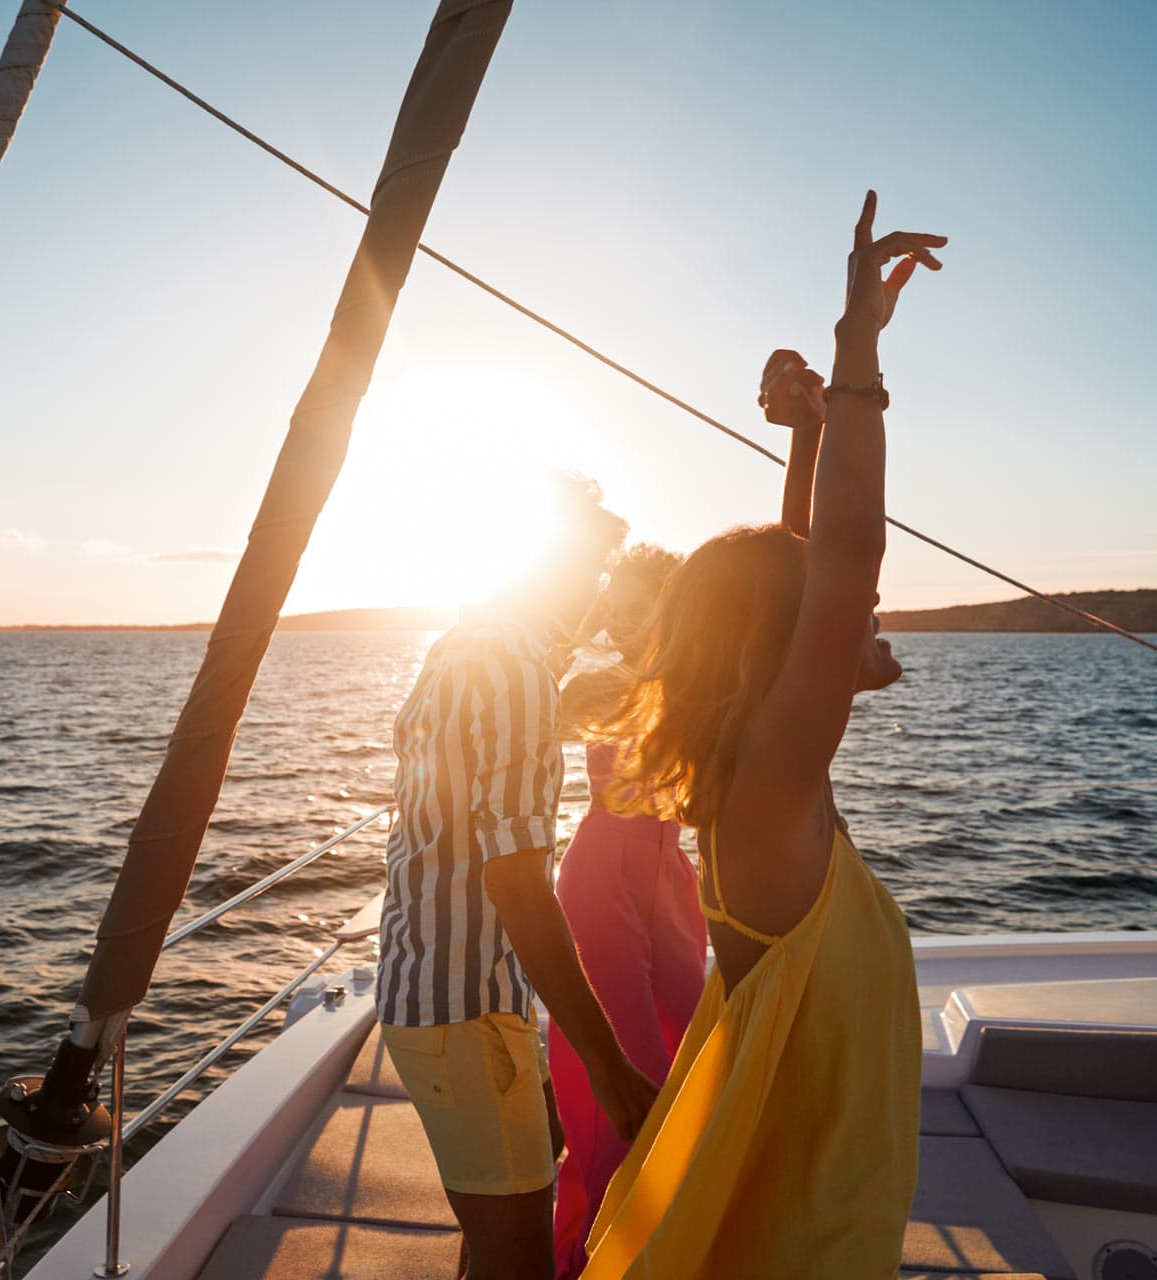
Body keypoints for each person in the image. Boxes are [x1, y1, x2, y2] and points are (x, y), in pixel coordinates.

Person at [581, 192, 946, 1277]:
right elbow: (838, 556)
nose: (865, 623)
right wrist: (854, 354)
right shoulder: (774, 789)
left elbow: (803, 564)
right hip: (806, 1224)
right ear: (792, 653)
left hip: (798, 1189)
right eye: (843, 620)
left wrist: (810, 433)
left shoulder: (760, 772)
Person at [376, 475, 663, 1280]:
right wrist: (608, 1068)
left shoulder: (462, 649)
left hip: (428, 993)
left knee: (497, 1229)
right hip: (467, 1012)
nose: (600, 591)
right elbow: (518, 885)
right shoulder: (514, 676)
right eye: (593, 568)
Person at [546, 545, 706, 1280]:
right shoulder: (599, 686)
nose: (614, 619)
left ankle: (667, 1236)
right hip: (602, 879)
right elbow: (537, 707)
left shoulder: (704, 685)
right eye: (611, 605)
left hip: (670, 880)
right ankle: (594, 1257)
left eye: (632, 606)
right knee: (628, 1078)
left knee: (691, 1060)